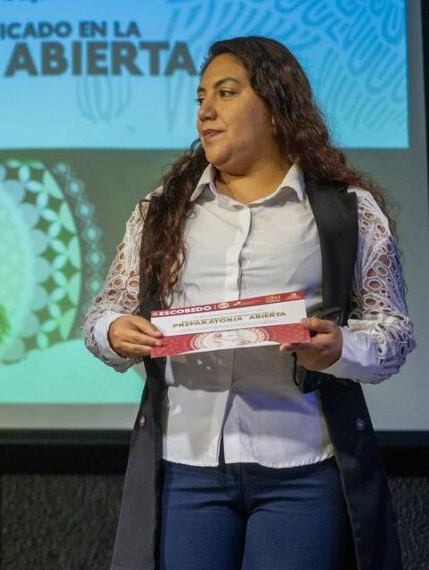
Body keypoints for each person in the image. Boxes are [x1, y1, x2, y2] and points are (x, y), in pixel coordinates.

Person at [83, 37, 415, 569]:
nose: (205, 111)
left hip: (302, 467)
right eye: (199, 98)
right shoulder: (162, 211)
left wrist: (342, 348)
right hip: (185, 469)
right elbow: (103, 315)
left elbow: (394, 333)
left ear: (277, 107)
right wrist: (115, 333)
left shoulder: (344, 211)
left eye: (226, 93)